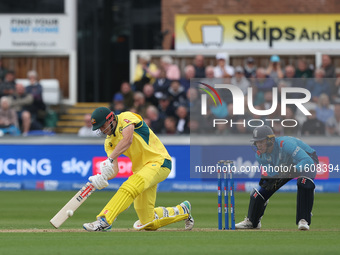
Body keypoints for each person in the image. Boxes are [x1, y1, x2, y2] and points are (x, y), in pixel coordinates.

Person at [82, 107, 194, 231]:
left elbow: (128, 140)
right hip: (142, 171)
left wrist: (110, 158)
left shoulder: (126, 118)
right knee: (148, 222)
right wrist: (102, 176)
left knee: (130, 185)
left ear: (111, 119)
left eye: (103, 126)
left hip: (159, 161)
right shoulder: (109, 142)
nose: (102, 130)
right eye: (99, 128)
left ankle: (104, 220)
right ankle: (183, 210)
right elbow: (114, 169)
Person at [236, 125, 318, 230]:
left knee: (304, 182)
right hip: (286, 166)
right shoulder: (259, 155)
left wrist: (292, 170)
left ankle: (303, 219)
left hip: (306, 160)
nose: (259, 145)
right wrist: (272, 179)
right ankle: (252, 221)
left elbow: (307, 161)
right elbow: (272, 174)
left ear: (270, 140)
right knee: (263, 189)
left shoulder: (285, 144)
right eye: (257, 142)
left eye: (261, 141)